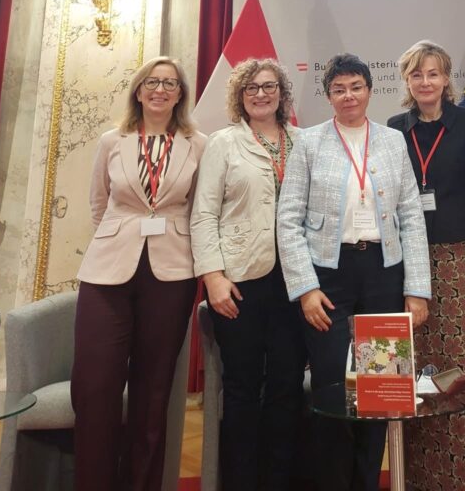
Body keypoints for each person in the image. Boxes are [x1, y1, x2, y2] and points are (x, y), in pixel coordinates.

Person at [277, 53, 431, 491]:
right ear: (328, 96)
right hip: (329, 276)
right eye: (339, 89)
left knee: (381, 388)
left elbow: (411, 215)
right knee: (331, 388)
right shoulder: (309, 142)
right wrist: (305, 289)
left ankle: (366, 481)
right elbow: (288, 219)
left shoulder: (392, 140)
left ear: (369, 90)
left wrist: (417, 288)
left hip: (382, 273)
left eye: (356, 87)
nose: (349, 96)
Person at [71, 56, 205, 491]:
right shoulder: (113, 140)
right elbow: (99, 203)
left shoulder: (198, 144)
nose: (160, 89)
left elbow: (198, 208)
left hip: (172, 272)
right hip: (108, 269)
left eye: (170, 83)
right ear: (138, 90)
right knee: (95, 387)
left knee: (152, 393)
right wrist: (120, 236)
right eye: (152, 82)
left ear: (180, 94)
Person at [387, 40, 465, 491]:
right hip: (411, 263)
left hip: (463, 260)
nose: (425, 82)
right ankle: (424, 479)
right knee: (421, 372)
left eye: (433, 73)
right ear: (407, 80)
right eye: (416, 74)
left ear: (446, 78)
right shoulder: (394, 130)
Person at [191, 57, 306, 491]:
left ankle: (279, 481)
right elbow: (203, 215)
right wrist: (213, 278)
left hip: (295, 282)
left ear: (282, 92)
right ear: (240, 96)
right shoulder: (223, 143)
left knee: (287, 387)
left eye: (269, 86)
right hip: (239, 282)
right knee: (241, 389)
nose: (261, 94)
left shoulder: (303, 141)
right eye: (251, 88)